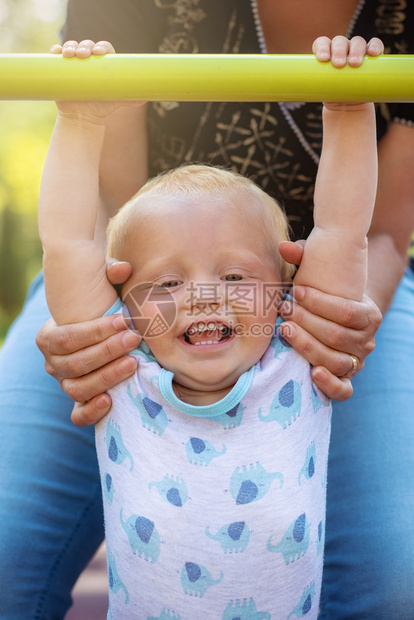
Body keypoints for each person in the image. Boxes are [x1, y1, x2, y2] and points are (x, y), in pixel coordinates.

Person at [0, 1, 413, 618]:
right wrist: (81, 118)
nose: (203, 296)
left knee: (392, 581)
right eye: (171, 284)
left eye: (233, 276)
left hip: (323, 278)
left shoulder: (291, 353)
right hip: (144, 228)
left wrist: (348, 107)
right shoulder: (132, 353)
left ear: (283, 286)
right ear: (130, 294)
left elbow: (350, 228)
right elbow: (73, 241)